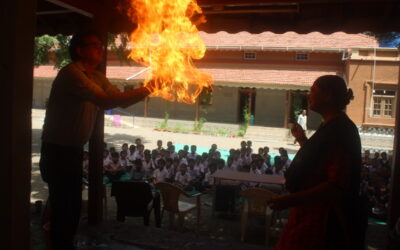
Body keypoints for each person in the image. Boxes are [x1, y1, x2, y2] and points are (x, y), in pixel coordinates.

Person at [39, 30, 152, 250]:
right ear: (80, 50)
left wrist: (149, 88)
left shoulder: (97, 76)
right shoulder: (71, 73)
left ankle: (63, 244)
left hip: (72, 152)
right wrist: (149, 87)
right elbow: (106, 100)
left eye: (101, 44)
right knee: (64, 207)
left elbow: (120, 101)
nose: (101, 48)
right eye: (95, 44)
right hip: (56, 152)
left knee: (71, 207)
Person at [268, 75, 365, 250]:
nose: (309, 95)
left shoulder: (341, 131)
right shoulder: (330, 126)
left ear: (327, 95)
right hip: (308, 212)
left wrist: (290, 200)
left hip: (323, 220)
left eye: (313, 91)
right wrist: (302, 140)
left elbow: (335, 186)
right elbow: (319, 161)